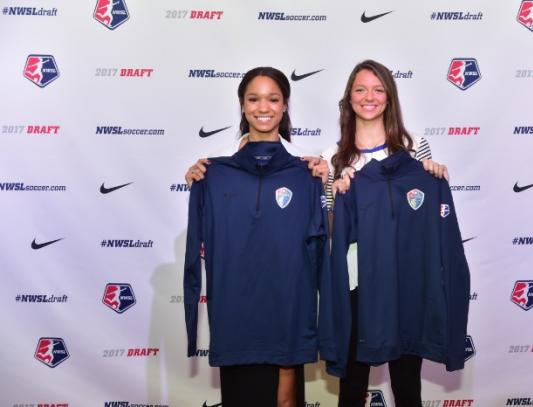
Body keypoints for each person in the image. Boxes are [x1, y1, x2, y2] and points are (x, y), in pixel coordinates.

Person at [184, 67, 329, 407]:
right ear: (242, 105)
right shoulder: (212, 170)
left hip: (287, 311)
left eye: (273, 98)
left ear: (284, 106)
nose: (263, 107)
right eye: (254, 98)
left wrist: (327, 182)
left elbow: (325, 244)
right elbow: (196, 250)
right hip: (236, 314)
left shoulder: (308, 170)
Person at [325, 60, 461, 407]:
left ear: (389, 97)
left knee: (407, 383)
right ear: (349, 98)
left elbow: (427, 211)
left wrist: (432, 172)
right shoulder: (332, 158)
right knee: (351, 385)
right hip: (358, 283)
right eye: (360, 89)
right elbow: (328, 230)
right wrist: (337, 195)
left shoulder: (416, 146)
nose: (369, 97)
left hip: (406, 281)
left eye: (378, 89)